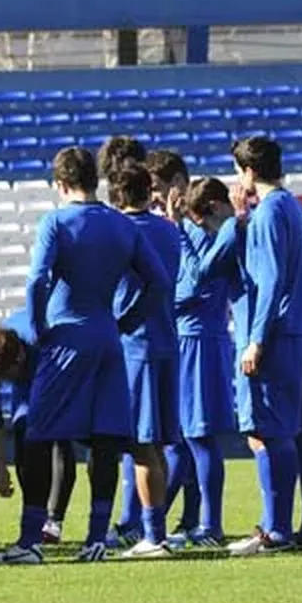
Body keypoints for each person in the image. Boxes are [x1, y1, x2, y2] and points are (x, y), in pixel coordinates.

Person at [0, 146, 171, 565]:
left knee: (37, 435)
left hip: (65, 336)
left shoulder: (56, 221)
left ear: (60, 183)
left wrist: (37, 327)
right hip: (108, 336)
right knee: (106, 441)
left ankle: (30, 541)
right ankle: (95, 540)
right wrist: (124, 322)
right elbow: (159, 283)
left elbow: (38, 278)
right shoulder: (121, 224)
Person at [223, 137, 302, 556]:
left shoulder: (268, 213)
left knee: (274, 430)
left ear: (248, 171)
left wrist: (256, 339)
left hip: (278, 334)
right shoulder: (296, 208)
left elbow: (269, 280)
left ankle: (276, 531)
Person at [108, 163, 181, 560]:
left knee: (141, 444)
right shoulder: (169, 229)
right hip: (168, 340)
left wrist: (122, 321)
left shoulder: (124, 232)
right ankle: (158, 530)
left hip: (137, 346)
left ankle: (153, 536)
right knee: (155, 443)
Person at [169, 177, 240, 548]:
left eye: (197, 218)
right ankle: (174, 522)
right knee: (187, 436)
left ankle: (211, 525)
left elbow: (190, 285)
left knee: (199, 434)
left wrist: (180, 230)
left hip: (198, 342)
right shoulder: (212, 235)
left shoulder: (221, 234)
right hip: (198, 340)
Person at [0, 308, 77, 544]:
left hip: (57, 368)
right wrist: (0, 467)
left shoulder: (43, 342)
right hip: (27, 378)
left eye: (8, 376)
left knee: (58, 436)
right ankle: (34, 517)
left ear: (18, 359)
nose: (6, 382)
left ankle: (53, 520)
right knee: (23, 429)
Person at [143, 149, 202, 543]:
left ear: (177, 184)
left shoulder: (191, 227)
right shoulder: (167, 227)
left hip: (187, 336)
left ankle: (157, 519)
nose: (154, 197)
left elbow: (190, 280)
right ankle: (191, 520)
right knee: (185, 436)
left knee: (181, 436)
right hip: (174, 333)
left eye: (159, 188)